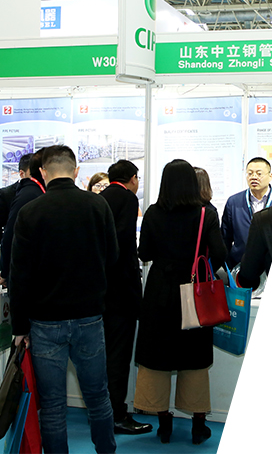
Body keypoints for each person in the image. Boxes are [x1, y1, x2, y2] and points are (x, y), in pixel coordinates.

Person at [8, 145, 118, 453]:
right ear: (76, 170)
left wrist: (19, 327)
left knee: (53, 405)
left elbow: (19, 276)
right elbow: (113, 257)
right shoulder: (97, 205)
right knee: (98, 397)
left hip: (45, 322)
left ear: (43, 172)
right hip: (89, 316)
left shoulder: (30, 212)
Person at [135, 159, 224, 444]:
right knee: (195, 359)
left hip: (159, 292)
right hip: (194, 294)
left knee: (156, 357)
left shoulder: (152, 212)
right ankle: (198, 427)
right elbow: (219, 253)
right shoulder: (205, 214)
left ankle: (163, 425)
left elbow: (144, 253)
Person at [99, 160, 152, 434]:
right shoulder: (128, 199)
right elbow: (124, 244)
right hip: (121, 291)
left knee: (104, 355)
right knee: (118, 358)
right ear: (132, 178)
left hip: (101, 291)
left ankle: (102, 413)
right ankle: (117, 415)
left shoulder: (100, 198)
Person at [222, 157, 272, 268]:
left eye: (259, 174)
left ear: (270, 176)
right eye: (250, 173)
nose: (254, 177)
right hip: (240, 266)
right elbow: (225, 238)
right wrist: (228, 266)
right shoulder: (234, 202)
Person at [0, 151, 43, 250]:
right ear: (22, 174)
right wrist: (5, 250)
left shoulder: (44, 191)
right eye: (33, 173)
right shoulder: (6, 194)